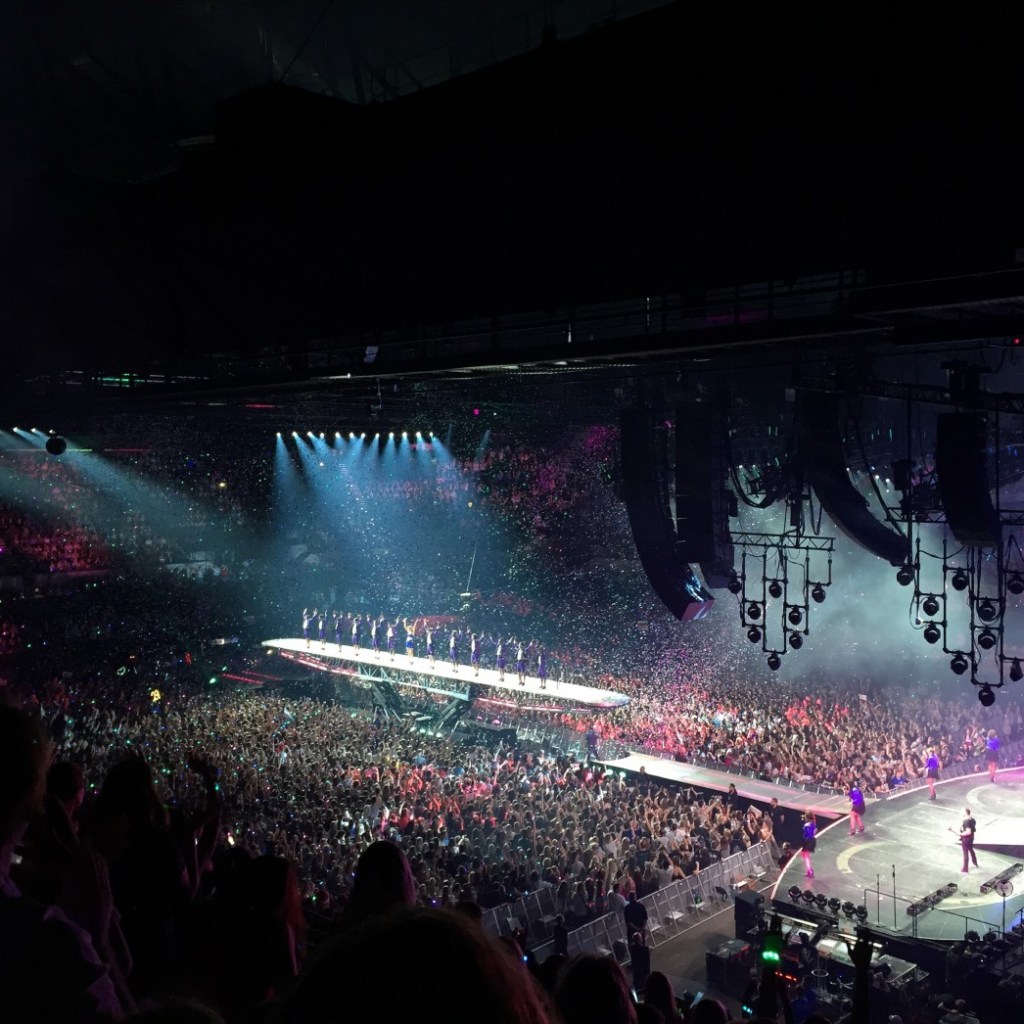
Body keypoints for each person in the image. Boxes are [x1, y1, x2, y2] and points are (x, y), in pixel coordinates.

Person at [958, 807, 978, 874]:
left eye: (962, 811)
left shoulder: (966, 821)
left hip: (966, 839)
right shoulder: (972, 819)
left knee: (965, 853)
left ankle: (965, 869)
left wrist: (960, 834)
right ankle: (975, 862)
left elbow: (968, 831)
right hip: (971, 838)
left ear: (965, 813)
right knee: (971, 849)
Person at [800, 811, 816, 878]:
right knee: (804, 855)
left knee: (806, 856)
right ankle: (809, 870)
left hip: (807, 841)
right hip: (811, 841)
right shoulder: (813, 823)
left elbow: (806, 835)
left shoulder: (806, 825)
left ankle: (810, 871)